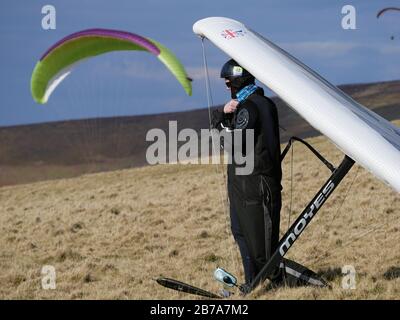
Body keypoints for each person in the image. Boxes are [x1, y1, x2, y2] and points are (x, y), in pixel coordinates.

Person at [211, 59, 283, 286]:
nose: (226, 87)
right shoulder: (256, 103)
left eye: (228, 82)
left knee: (260, 247)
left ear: (237, 81)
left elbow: (234, 144)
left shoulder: (251, 107)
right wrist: (224, 112)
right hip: (244, 185)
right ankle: (253, 284)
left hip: (255, 186)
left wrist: (220, 121)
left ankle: (277, 284)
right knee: (241, 233)